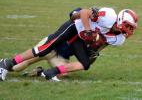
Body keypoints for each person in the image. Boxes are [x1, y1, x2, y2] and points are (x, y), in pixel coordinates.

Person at [0, 7, 138, 81]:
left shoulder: (117, 39)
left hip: (64, 52)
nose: (129, 30)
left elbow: (94, 51)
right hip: (53, 45)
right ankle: (7, 63)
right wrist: (88, 29)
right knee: (18, 67)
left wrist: (94, 50)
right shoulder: (106, 16)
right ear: (119, 20)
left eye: (131, 28)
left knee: (74, 69)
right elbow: (79, 13)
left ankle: (41, 72)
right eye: (129, 26)